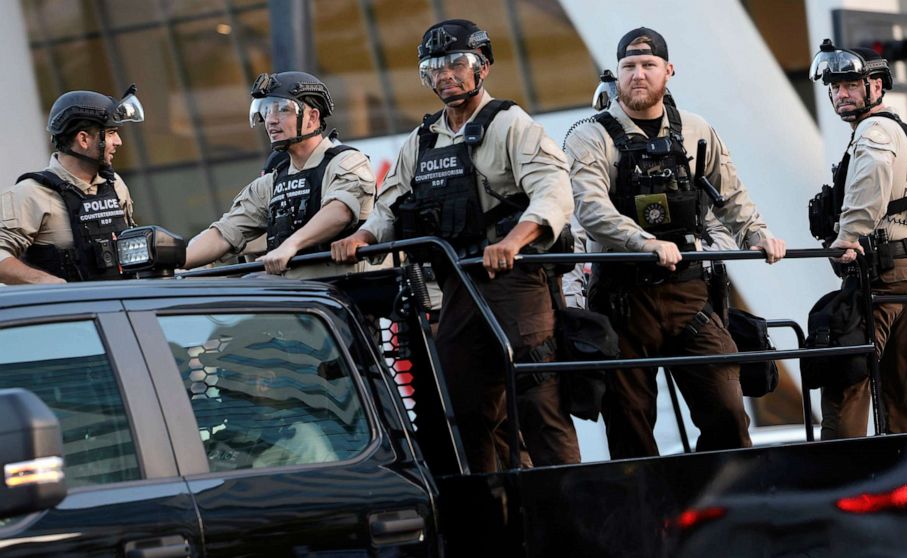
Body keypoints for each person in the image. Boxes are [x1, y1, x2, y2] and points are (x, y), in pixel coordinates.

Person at [332, 19, 579, 472]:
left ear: (482, 68)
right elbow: (389, 206)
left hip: (515, 282)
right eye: (433, 68)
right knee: (465, 410)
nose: (444, 75)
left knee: (540, 407)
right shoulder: (422, 140)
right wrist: (361, 237)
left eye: (456, 64)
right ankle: (495, 509)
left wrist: (512, 241)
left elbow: (554, 192)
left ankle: (571, 512)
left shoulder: (511, 124)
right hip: (458, 287)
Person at [564, 27, 787, 459]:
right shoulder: (588, 136)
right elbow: (590, 208)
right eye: (629, 66)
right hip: (621, 297)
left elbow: (731, 195)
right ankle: (653, 520)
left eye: (648, 65)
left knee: (728, 414)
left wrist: (757, 234)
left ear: (668, 71)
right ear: (618, 74)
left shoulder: (697, 130)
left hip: (690, 294)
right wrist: (643, 242)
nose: (638, 75)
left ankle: (713, 508)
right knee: (630, 427)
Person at [808, 40, 907, 438]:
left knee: (848, 375)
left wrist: (848, 237)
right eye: (835, 87)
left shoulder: (874, 132)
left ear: (877, 86)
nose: (841, 94)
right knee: (900, 381)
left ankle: (841, 473)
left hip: (884, 270)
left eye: (850, 84)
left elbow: (872, 179)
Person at [183, 71, 375, 278]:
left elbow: (340, 212)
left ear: (312, 117)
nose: (271, 120)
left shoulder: (348, 162)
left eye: (283, 109)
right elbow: (225, 233)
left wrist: (291, 245)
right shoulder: (270, 183)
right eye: (266, 111)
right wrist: (176, 262)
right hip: (290, 296)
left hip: (341, 296)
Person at [0, 87, 145, 284]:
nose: (118, 142)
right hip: (69, 312)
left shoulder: (115, 184)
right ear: (83, 139)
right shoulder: (30, 194)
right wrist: (45, 282)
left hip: (119, 307)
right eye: (110, 133)